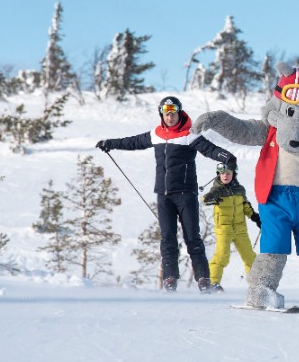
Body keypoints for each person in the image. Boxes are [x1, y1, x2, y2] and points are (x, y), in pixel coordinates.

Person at [95, 96, 236, 293]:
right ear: (162, 114)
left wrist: (227, 158)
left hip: (186, 194)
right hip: (163, 195)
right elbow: (133, 141)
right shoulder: (157, 134)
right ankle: (170, 279)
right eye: (167, 113)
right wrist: (110, 143)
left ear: (179, 113)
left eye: (173, 113)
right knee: (167, 238)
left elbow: (210, 150)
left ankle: (204, 280)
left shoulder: (190, 134)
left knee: (192, 238)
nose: (170, 117)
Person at [201, 162, 261, 293]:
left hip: (240, 228)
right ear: (218, 174)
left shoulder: (239, 189)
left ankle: (256, 285)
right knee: (222, 255)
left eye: (228, 173)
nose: (225, 176)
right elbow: (205, 200)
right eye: (222, 173)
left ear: (234, 174)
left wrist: (255, 217)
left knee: (249, 256)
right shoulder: (217, 190)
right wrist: (210, 197)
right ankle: (213, 282)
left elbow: (245, 206)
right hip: (224, 228)